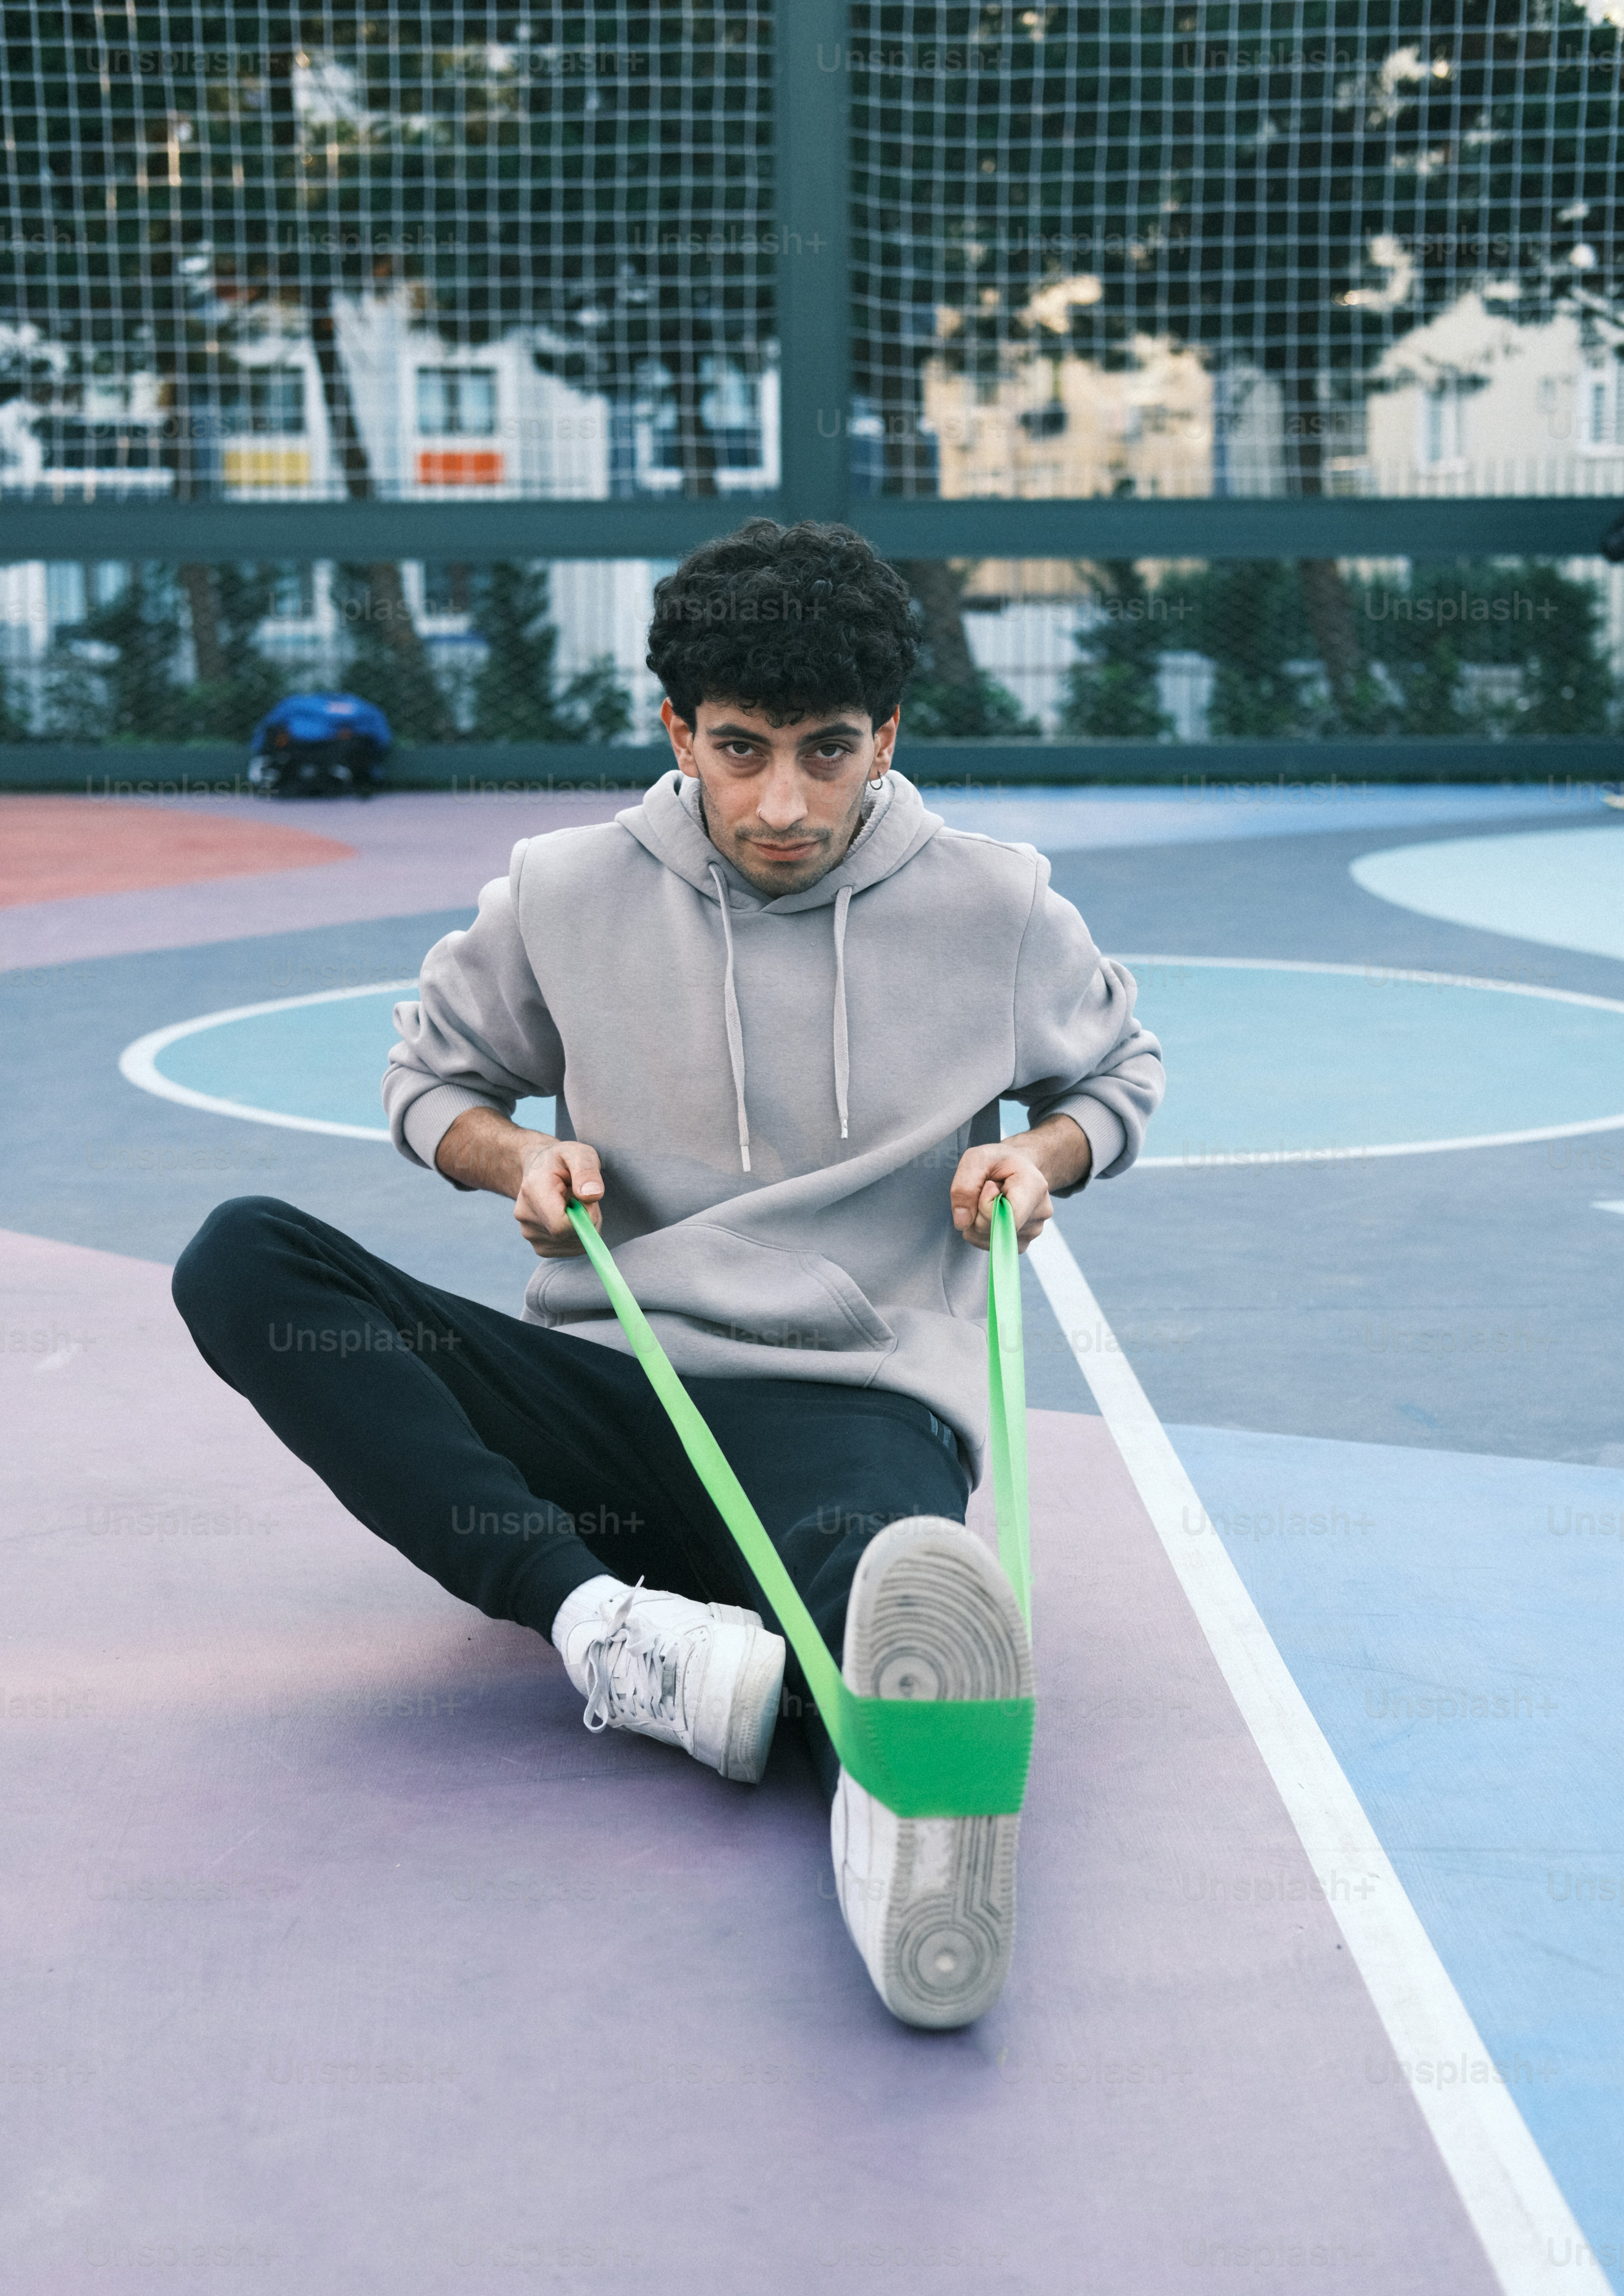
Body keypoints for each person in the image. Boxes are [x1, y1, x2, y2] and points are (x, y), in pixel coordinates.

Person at [174, 519, 1163, 2030]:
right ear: (676, 731)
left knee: (880, 1580)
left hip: (848, 1399)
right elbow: (429, 1079)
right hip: (609, 1385)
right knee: (245, 1255)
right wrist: (518, 1160)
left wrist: (1044, 1162)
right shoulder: (561, 890)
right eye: (741, 748)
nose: (782, 801)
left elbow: (1114, 1076)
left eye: (830, 752)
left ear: (886, 737)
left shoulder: (999, 902)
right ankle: (611, 1635)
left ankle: (852, 1741)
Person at [250, 691, 392, 799]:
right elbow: (382, 742)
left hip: (333, 750)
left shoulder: (294, 704)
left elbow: (265, 731)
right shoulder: (363, 709)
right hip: (301, 750)